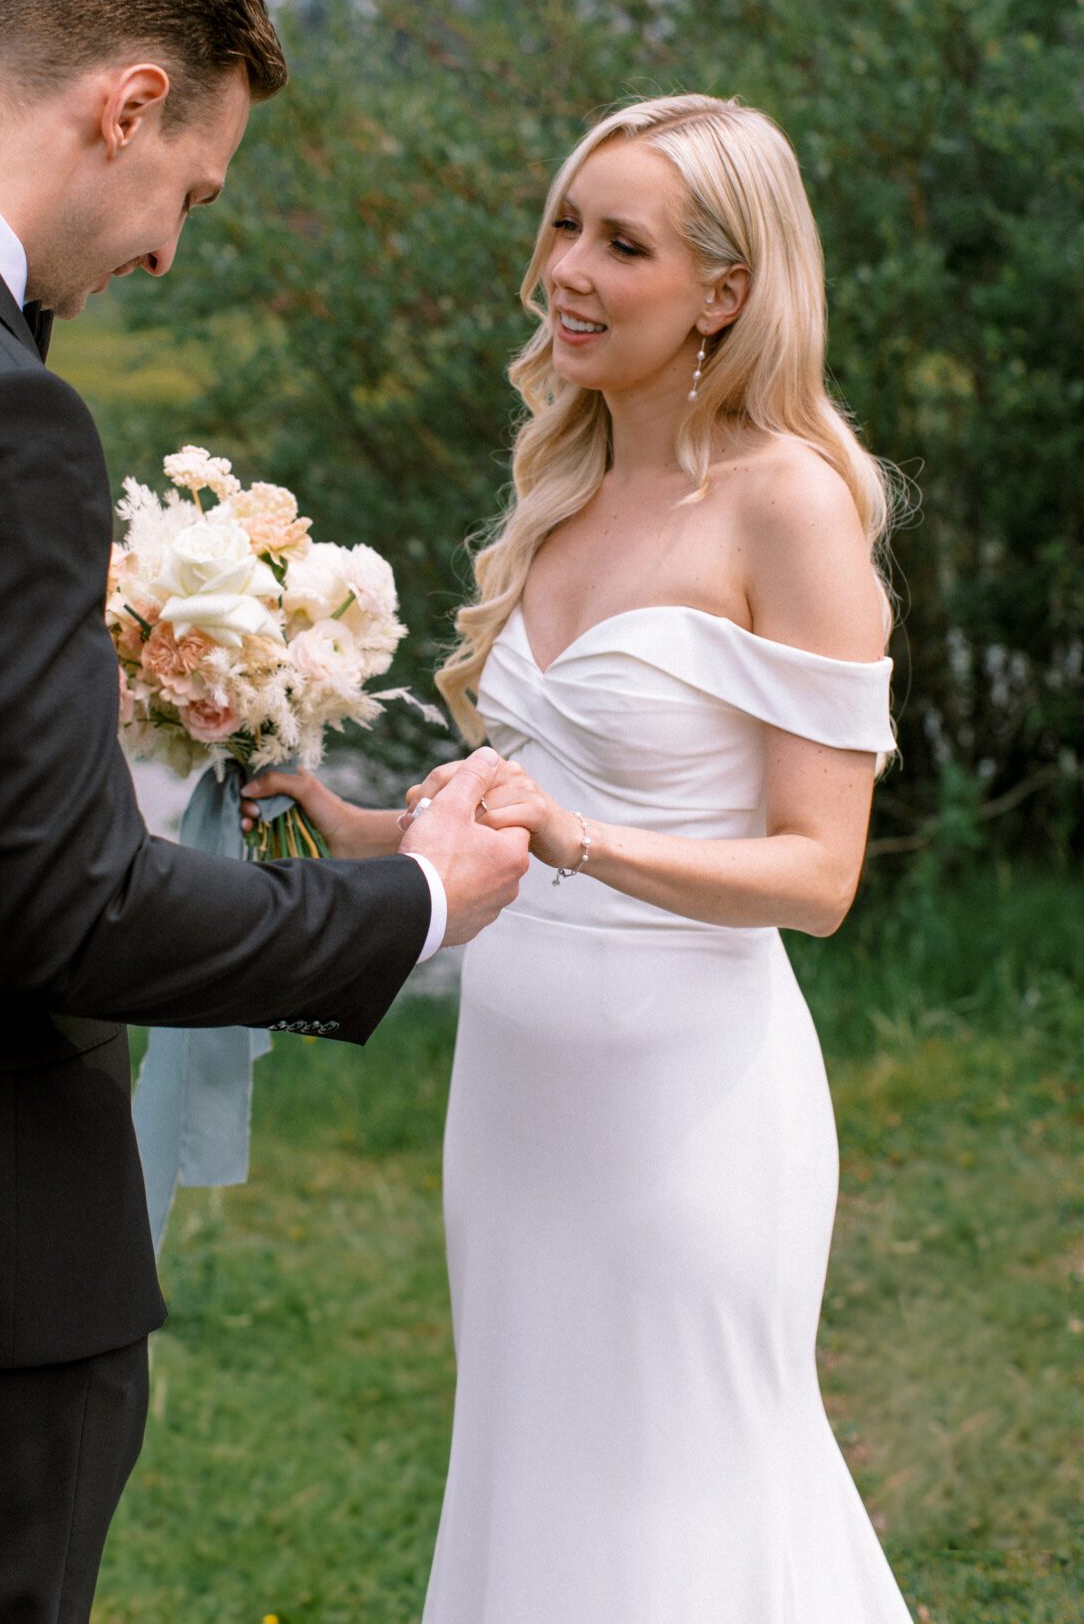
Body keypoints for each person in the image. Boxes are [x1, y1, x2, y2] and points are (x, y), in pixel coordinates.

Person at [0, 0, 529, 1623]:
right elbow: (66, 915)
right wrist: (418, 904)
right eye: (195, 192)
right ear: (129, 103)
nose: (170, 251)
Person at [244, 94, 915, 1621]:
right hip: (515, 1093)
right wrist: (358, 833)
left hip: (684, 1101)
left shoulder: (789, 507)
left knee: (682, 1493)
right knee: (531, 1472)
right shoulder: (561, 483)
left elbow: (818, 877)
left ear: (727, 290)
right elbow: (515, 811)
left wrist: (577, 836)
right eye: (565, 225)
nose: (570, 269)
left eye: (624, 243)